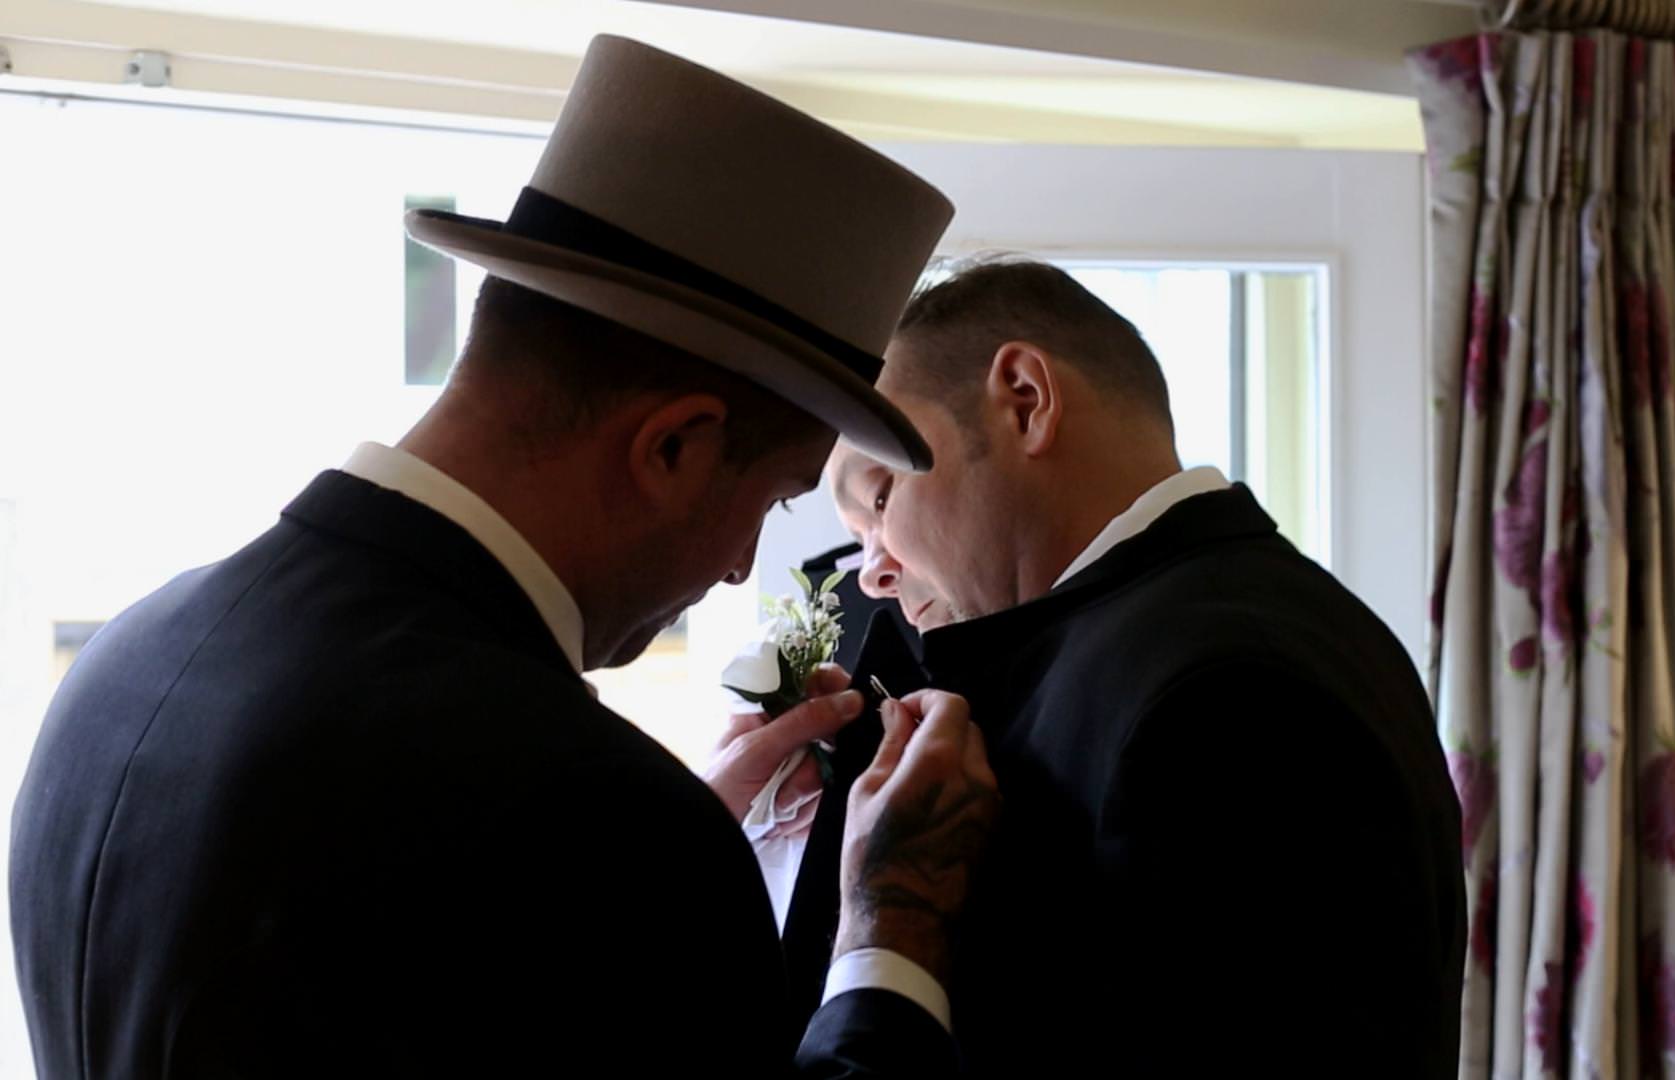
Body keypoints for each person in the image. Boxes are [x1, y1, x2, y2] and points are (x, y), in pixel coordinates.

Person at [9, 35, 998, 1078]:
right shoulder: (587, 822)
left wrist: (653, 863)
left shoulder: (124, 662)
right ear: (674, 445)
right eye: (769, 499)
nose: (738, 567)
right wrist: (893, 927)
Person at [801, 257, 1467, 1075]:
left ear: (1025, 400)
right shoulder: (1162, 633)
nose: (870, 570)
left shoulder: (1229, 695)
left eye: (876, 498)